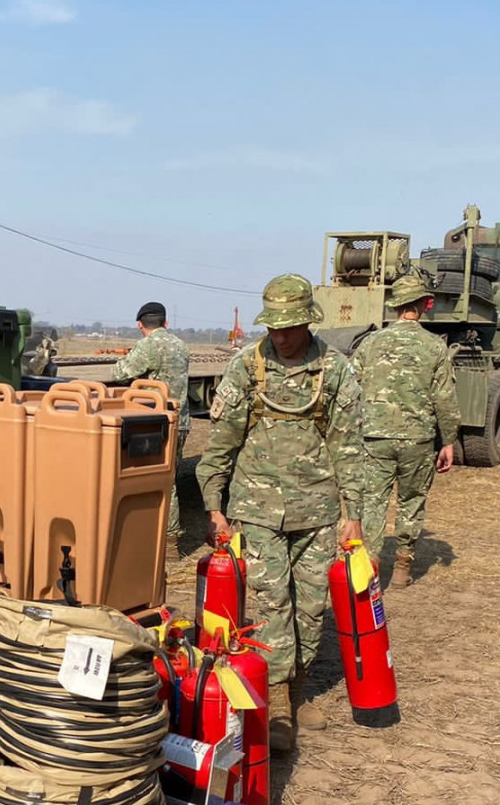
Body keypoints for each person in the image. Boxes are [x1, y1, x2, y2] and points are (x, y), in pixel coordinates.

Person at [196, 273, 365, 752]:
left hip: (317, 509)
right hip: (257, 508)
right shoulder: (247, 368)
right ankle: (276, 704)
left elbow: (349, 446)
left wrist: (352, 513)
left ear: (309, 321)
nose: (281, 336)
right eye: (273, 327)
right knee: (272, 606)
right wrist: (213, 505)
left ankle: (298, 688)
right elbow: (222, 442)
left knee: (311, 607)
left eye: (289, 327)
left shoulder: (335, 370)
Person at [350, 273, 458, 585]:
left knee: (372, 501)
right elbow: (445, 399)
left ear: (395, 305)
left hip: (375, 437)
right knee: (412, 500)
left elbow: (350, 389)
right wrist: (448, 441)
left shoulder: (370, 343)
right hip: (418, 439)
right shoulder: (434, 347)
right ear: (425, 305)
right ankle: (402, 567)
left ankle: (368, 566)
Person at [112, 301, 191, 544]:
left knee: (155, 478)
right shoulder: (181, 345)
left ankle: (162, 537)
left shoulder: (147, 345)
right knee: (171, 475)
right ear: (165, 322)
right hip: (181, 419)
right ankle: (168, 539)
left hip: (154, 422)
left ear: (140, 325)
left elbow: (119, 374)